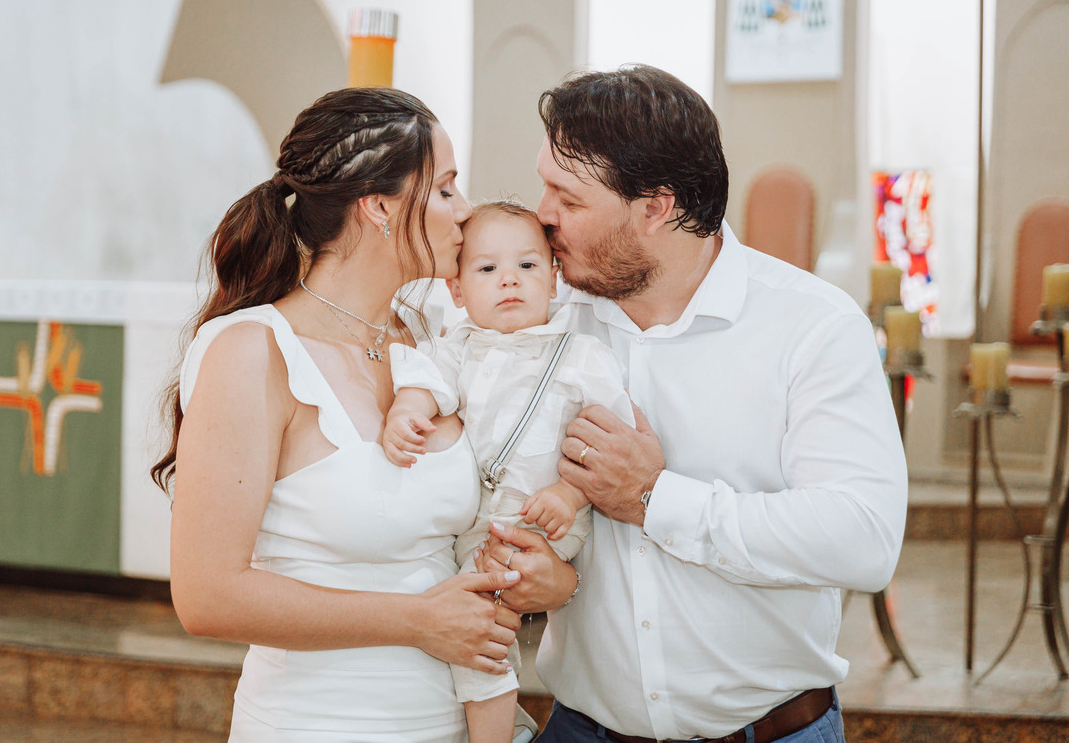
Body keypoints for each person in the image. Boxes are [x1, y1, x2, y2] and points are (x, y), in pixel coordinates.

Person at [481, 64, 908, 743]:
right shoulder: (542, 319)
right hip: (582, 729)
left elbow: (863, 539)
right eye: (543, 185)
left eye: (568, 195)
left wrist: (655, 498)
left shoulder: (812, 326)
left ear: (655, 208)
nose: (542, 214)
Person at [151, 86, 524, 742]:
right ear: (378, 207)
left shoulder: (430, 338)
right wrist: (415, 620)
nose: (465, 213)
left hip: (446, 726)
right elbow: (207, 595)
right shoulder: (253, 351)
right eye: (445, 190)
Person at [383, 200, 635, 743]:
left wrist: (569, 494)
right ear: (456, 290)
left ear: (555, 278)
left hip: (548, 522)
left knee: (484, 632)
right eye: (487, 269)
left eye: (527, 266)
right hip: (471, 524)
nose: (509, 282)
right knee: (471, 634)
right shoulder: (457, 348)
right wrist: (408, 411)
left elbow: (614, 440)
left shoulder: (579, 355)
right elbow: (426, 382)